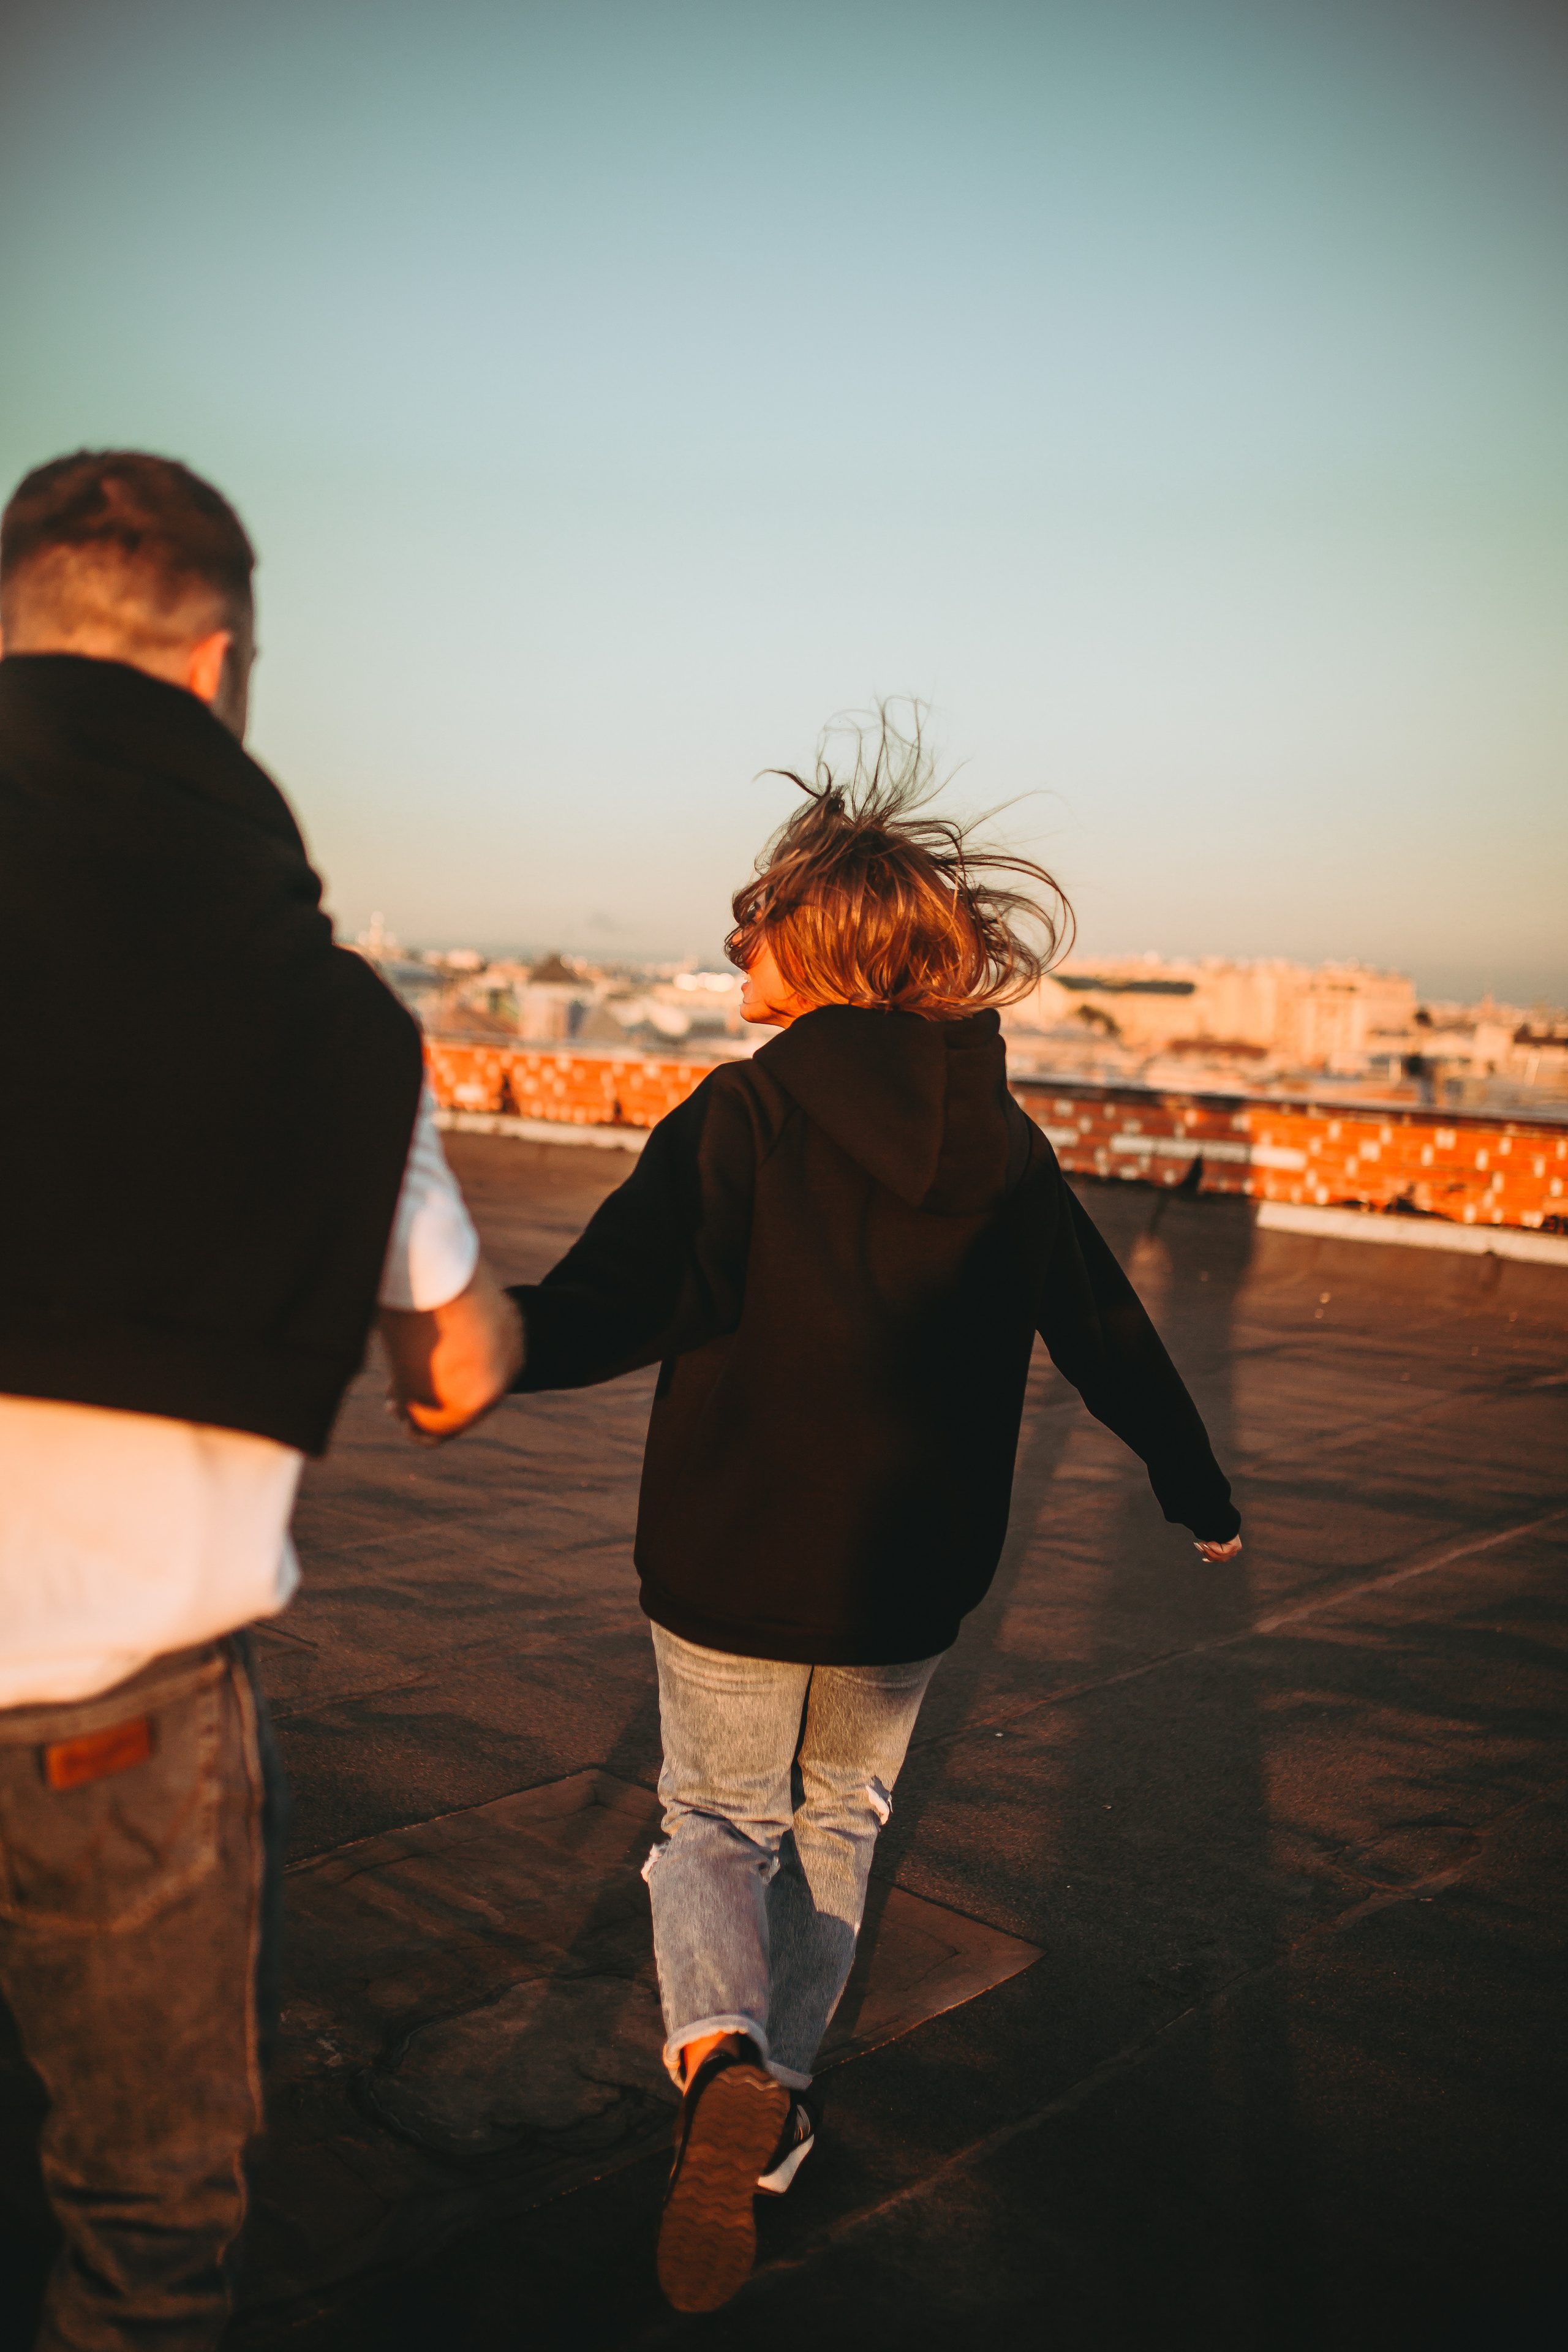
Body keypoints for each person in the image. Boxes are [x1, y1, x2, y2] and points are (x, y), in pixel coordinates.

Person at [503, 712, 1242, 2314]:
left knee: (712, 1825)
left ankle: (720, 2065)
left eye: (755, 924)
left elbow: (615, 1302)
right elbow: (1108, 1329)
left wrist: (481, 1343)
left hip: (729, 1557)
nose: (732, 951)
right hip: (910, 1584)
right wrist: (1199, 1490)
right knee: (835, 1828)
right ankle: (776, 2117)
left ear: (821, 946)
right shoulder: (1006, 1145)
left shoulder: (742, 1119)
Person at [0, 449, 522, 2350]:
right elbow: (456, 1369)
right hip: (117, 1741)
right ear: (220, 666)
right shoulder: (330, 1018)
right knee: (142, 2220)